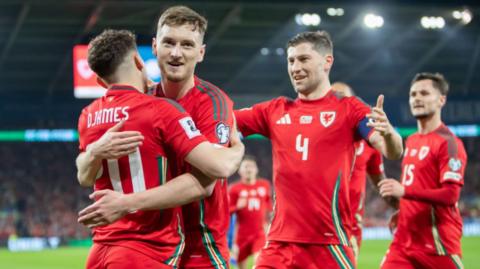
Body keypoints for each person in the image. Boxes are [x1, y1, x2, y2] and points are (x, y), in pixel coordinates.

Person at [76, 6, 236, 269]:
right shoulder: (149, 104)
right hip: (152, 247)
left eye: (187, 45)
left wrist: (124, 201)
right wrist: (93, 152)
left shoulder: (213, 102)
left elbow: (206, 182)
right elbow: (84, 174)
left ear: (201, 52)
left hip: (200, 246)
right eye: (168, 42)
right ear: (153, 48)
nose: (176, 52)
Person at [234, 31, 404, 269]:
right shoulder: (275, 110)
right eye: (291, 60)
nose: (295, 67)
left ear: (327, 61)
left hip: (329, 246)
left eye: (303, 59)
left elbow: (390, 149)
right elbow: (223, 119)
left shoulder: (350, 109)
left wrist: (389, 133)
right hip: (278, 245)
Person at [379, 73, 467, 269]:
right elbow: (418, 185)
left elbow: (451, 195)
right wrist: (403, 209)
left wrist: (404, 192)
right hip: (404, 241)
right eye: (413, 94)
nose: (417, 98)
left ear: (441, 100)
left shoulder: (449, 143)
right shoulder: (412, 140)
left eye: (425, 93)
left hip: (437, 243)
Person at [331, 82, 388, 260]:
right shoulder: (316, 136)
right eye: (333, 96)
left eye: (342, 96)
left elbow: (380, 181)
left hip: (351, 223)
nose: (337, 100)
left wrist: (403, 207)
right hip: (317, 219)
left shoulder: (370, 143)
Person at [228, 155, 272, 269]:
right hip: (241, 236)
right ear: (239, 170)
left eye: (251, 166)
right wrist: (237, 207)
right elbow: (226, 212)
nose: (249, 169)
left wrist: (269, 227)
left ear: (256, 169)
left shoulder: (264, 185)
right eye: (246, 166)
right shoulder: (234, 189)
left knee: (259, 263)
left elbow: (269, 208)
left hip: (259, 234)